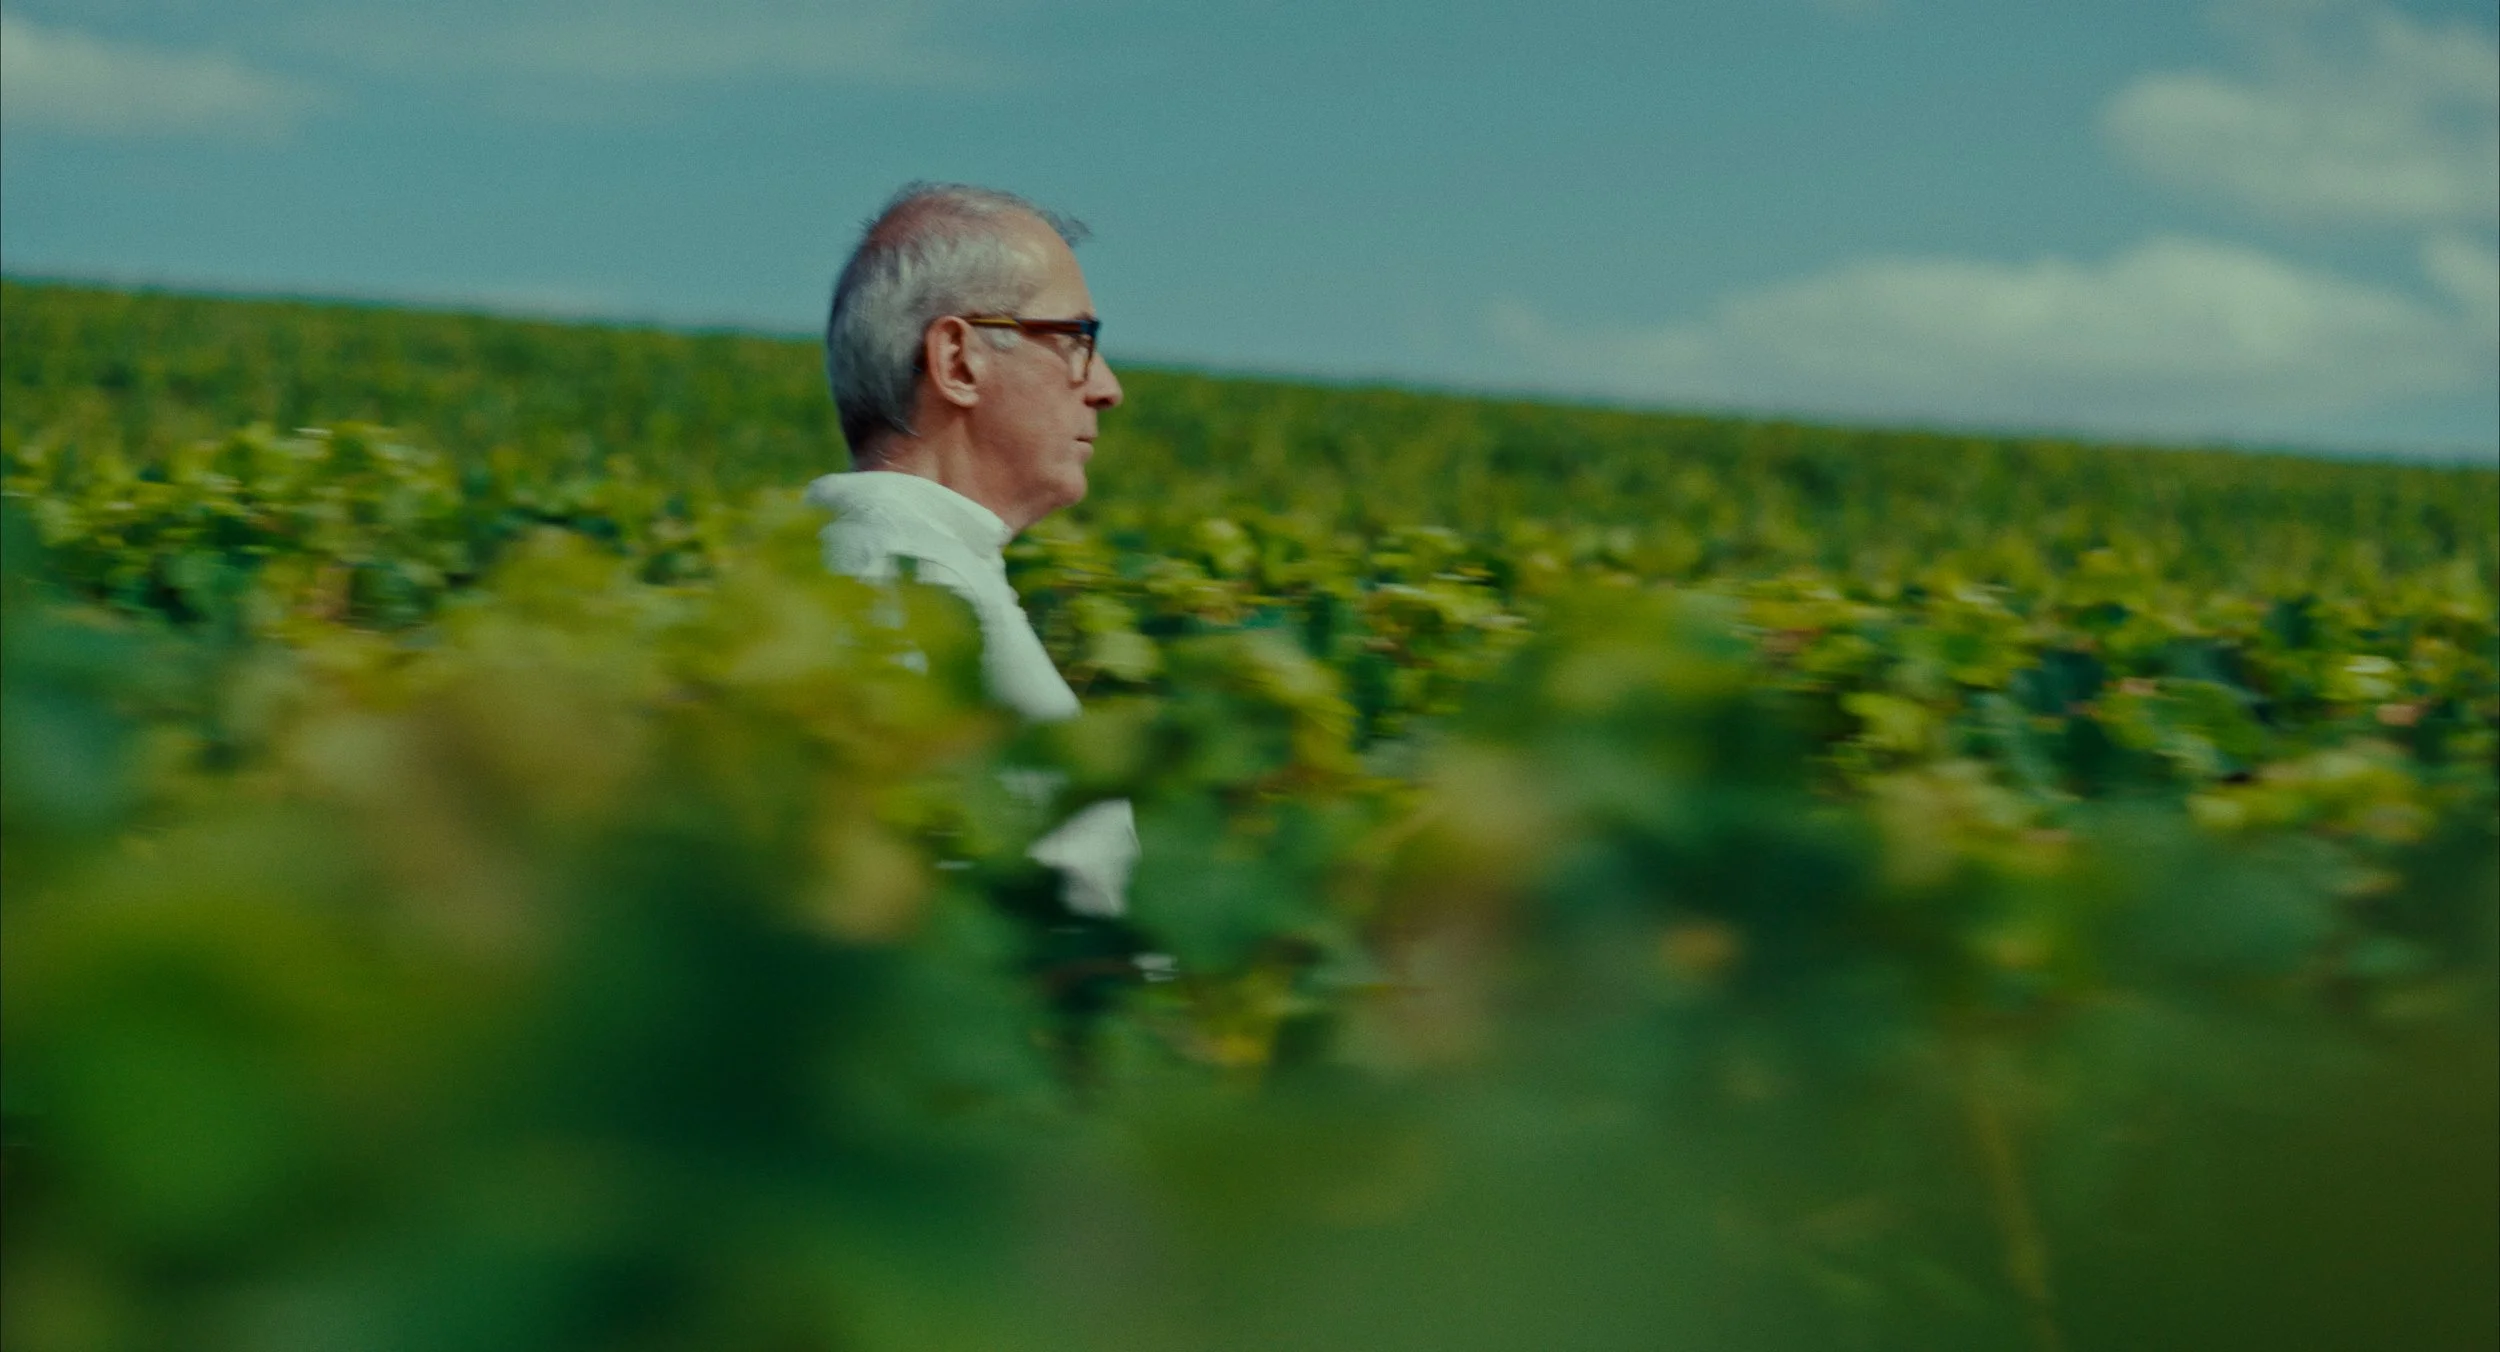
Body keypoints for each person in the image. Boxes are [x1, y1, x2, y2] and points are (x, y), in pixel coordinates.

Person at [807, 182, 1137, 920]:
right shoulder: (905, 602)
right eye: (1077, 341)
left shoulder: (896, 574)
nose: (1107, 388)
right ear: (957, 360)